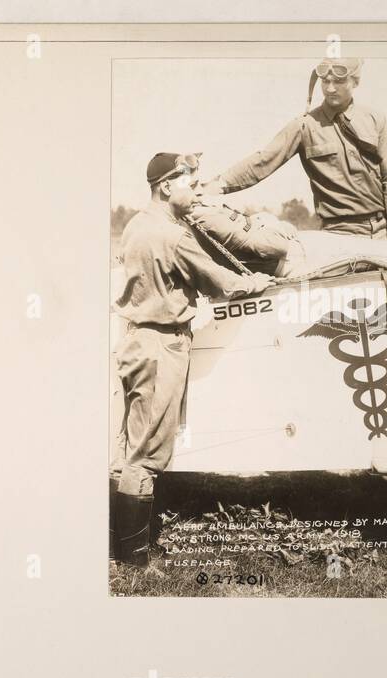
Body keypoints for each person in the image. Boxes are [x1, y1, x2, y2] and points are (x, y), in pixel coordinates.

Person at [111, 153, 273, 567]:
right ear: (166, 186)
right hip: (162, 347)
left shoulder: (134, 226)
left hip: (133, 342)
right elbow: (223, 284)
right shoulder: (173, 235)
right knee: (146, 456)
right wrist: (256, 281)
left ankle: (117, 548)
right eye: (188, 180)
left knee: (127, 449)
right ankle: (133, 564)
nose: (195, 187)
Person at [201, 58, 387, 242]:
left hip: (381, 232)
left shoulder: (375, 119)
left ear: (355, 82)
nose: (331, 88)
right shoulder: (304, 126)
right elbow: (263, 160)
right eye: (325, 81)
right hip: (338, 234)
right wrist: (217, 185)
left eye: (339, 81)